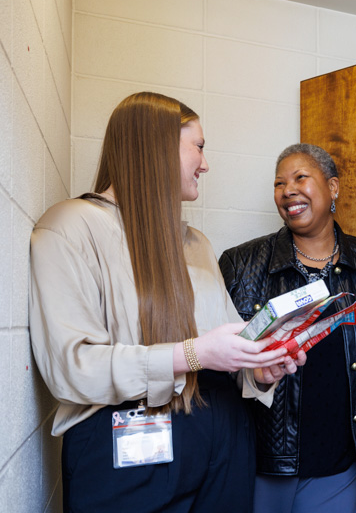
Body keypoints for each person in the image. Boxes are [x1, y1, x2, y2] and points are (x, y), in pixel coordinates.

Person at [29, 92, 305, 512]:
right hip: (128, 446)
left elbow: (225, 349)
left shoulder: (196, 244)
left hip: (225, 436)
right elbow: (72, 369)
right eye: (199, 147)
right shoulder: (71, 227)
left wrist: (260, 369)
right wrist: (194, 353)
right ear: (156, 146)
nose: (206, 163)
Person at [219, 143, 356, 513]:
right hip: (259, 464)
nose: (287, 190)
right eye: (279, 183)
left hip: (338, 467)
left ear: (333, 187)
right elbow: (221, 365)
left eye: (300, 178)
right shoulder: (241, 264)